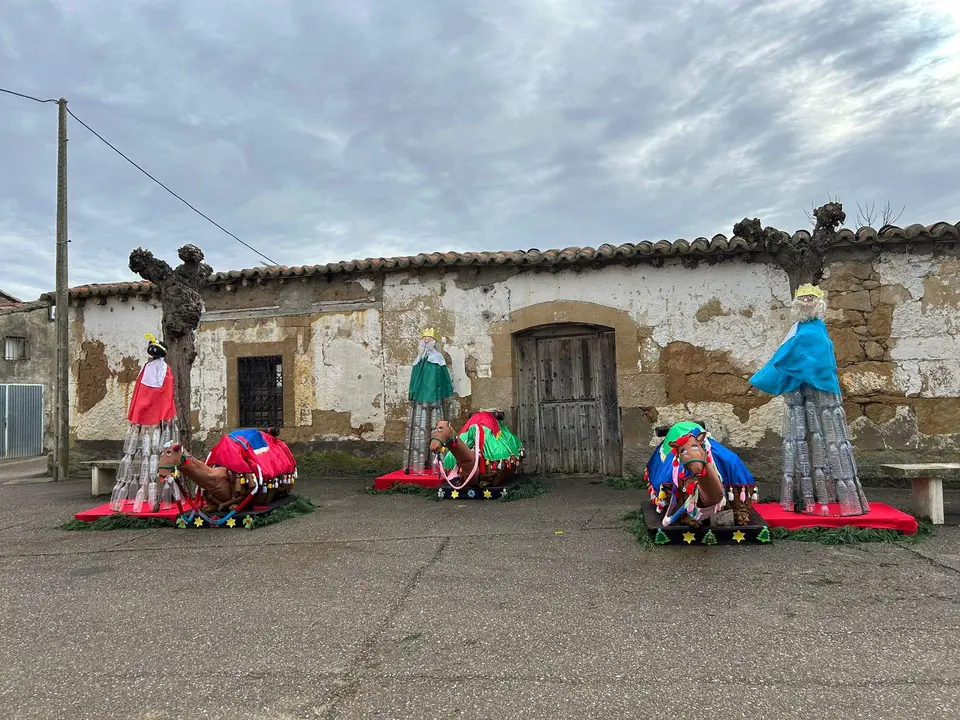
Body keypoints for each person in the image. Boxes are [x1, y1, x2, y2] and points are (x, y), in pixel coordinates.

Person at [750, 284, 870, 516]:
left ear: (819, 302)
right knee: (800, 441)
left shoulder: (817, 329)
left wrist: (800, 364)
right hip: (799, 389)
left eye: (810, 298)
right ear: (796, 302)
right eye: (802, 298)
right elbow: (786, 352)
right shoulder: (797, 328)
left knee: (829, 440)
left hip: (821, 388)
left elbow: (817, 354)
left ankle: (840, 501)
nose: (806, 301)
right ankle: (804, 500)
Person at [403, 329, 454, 474]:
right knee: (419, 429)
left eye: (429, 338)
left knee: (436, 427)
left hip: (435, 397)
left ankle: (439, 465)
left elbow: (444, 378)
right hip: (420, 397)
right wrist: (412, 393)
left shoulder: (438, 359)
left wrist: (445, 393)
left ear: (434, 341)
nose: (426, 341)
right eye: (424, 338)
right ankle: (419, 464)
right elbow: (414, 379)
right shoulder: (419, 359)